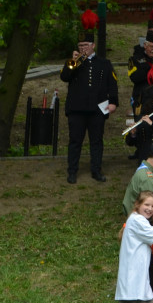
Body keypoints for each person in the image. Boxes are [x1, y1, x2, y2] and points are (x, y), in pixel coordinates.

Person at [61, 10, 118, 184]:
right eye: (80, 46)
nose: (82, 48)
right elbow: (64, 77)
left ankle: (96, 170)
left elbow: (112, 84)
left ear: (92, 45)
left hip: (96, 109)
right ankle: (72, 171)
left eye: (85, 45)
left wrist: (114, 102)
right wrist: (74, 63)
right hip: (77, 109)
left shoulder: (104, 64)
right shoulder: (74, 63)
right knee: (75, 141)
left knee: (96, 142)